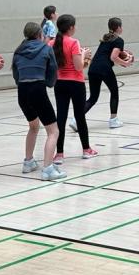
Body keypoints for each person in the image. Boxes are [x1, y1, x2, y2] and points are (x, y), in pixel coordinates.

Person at [12, 21, 63, 180]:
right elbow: (53, 71)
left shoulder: (18, 51)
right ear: (40, 34)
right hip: (37, 89)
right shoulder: (46, 49)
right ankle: (48, 169)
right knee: (53, 131)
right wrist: (49, 83)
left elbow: (16, 74)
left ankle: (28, 162)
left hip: (22, 92)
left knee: (33, 126)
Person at [50, 14, 98, 165]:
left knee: (61, 118)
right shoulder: (74, 42)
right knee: (80, 116)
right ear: (71, 27)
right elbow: (78, 67)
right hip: (76, 83)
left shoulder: (51, 43)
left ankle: (59, 154)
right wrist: (84, 55)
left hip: (60, 83)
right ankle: (86, 150)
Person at [84, 18, 132, 129]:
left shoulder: (106, 38)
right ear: (119, 27)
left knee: (93, 97)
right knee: (114, 92)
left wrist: (121, 61)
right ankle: (113, 120)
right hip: (104, 68)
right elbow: (113, 57)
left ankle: (76, 120)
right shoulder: (119, 40)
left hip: (93, 68)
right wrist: (125, 62)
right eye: (121, 26)